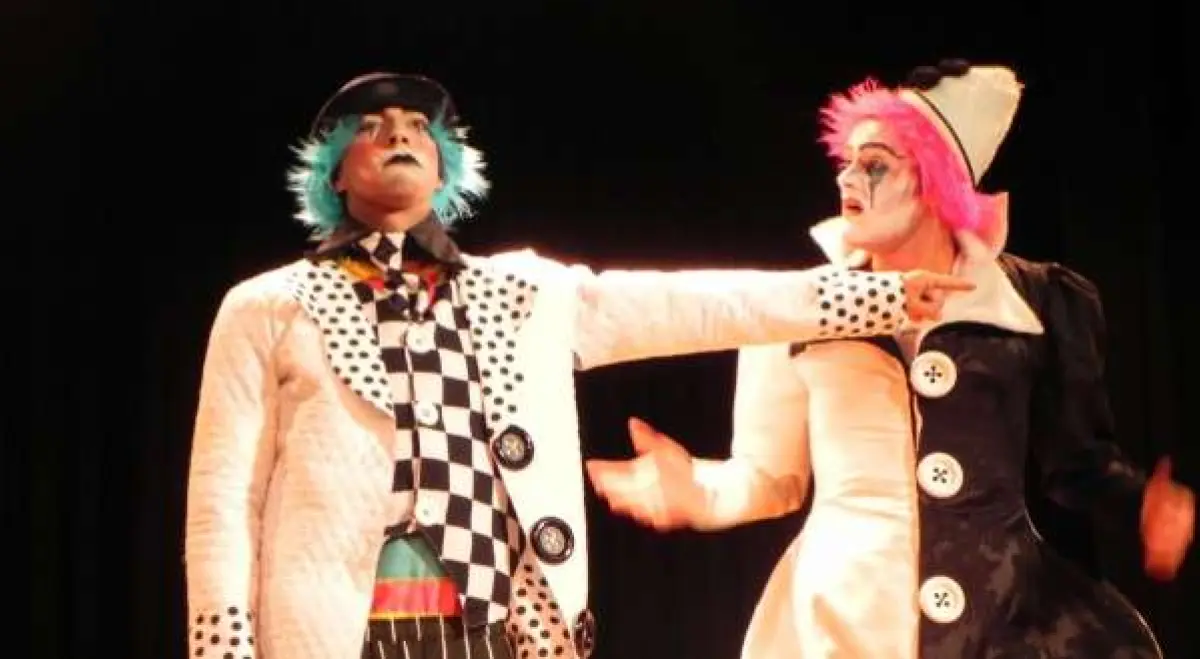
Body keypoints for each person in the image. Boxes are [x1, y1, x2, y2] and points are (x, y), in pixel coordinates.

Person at [182, 71, 974, 659]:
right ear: (331, 170)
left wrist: (878, 297)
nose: (398, 134)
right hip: (338, 627)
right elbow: (223, 503)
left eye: (417, 126)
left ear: (445, 166)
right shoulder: (269, 307)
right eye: (371, 126)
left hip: (492, 625)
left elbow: (697, 304)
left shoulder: (521, 293)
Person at [586, 60, 1196, 658]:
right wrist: (696, 490)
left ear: (935, 183)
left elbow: (1078, 463)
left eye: (873, 164)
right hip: (847, 617)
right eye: (846, 163)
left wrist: (1141, 506)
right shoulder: (799, 308)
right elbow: (769, 477)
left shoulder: (1032, 301)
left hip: (1000, 617)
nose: (847, 179)